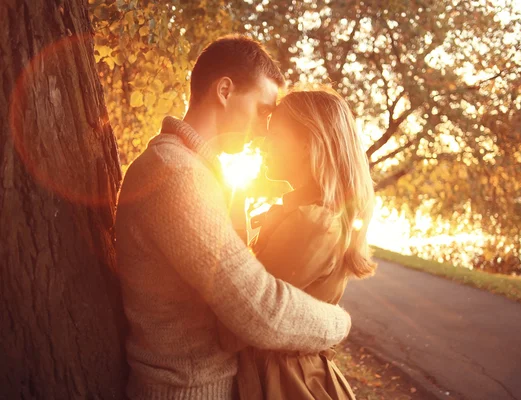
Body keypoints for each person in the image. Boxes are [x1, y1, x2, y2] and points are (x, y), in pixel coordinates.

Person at [114, 35, 352, 400]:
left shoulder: (196, 172)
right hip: (185, 391)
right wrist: (340, 323)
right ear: (225, 90)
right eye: (262, 111)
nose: (263, 131)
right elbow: (260, 310)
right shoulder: (175, 173)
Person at [221, 87, 376, 399]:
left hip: (286, 384)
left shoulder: (313, 223)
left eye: (274, 133)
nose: (263, 144)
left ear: (307, 144)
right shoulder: (309, 215)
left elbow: (242, 311)